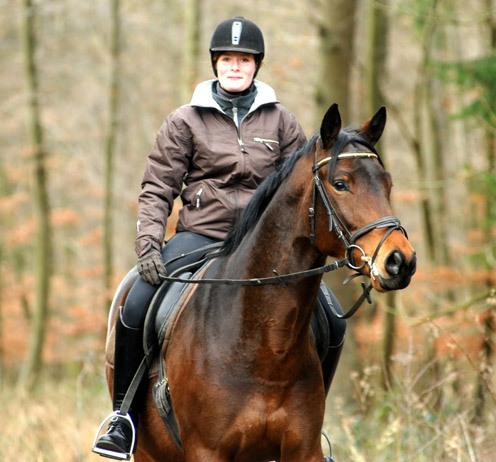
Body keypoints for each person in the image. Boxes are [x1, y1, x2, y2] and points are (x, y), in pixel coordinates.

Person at [93, 17, 346, 460]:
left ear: (256, 65)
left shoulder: (282, 121)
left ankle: (311, 421)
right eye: (227, 59)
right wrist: (150, 245)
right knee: (135, 302)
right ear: (215, 64)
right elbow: (157, 188)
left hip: (265, 249)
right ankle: (123, 419)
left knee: (334, 316)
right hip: (201, 236)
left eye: (243, 59)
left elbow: (303, 189)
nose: (235, 66)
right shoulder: (184, 121)